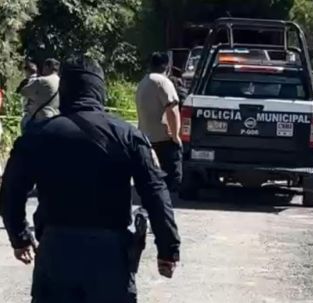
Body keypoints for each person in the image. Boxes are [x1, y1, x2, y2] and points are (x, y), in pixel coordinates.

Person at [0, 56, 181, 303]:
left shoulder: (38, 136)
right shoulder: (127, 136)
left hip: (56, 249)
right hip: (110, 255)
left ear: (65, 90)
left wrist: (19, 237)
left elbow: (11, 188)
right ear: (99, 89)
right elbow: (155, 192)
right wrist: (168, 249)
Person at [136, 52, 183, 195]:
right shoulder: (163, 82)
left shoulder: (143, 81)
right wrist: (176, 136)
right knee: (171, 180)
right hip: (163, 139)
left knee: (152, 178)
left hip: (146, 136)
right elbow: (172, 110)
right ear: (167, 66)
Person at [19, 58, 61, 132]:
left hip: (40, 118)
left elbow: (24, 91)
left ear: (47, 67)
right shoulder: (61, 82)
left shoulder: (43, 80)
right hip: (56, 118)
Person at [16, 59, 39, 132]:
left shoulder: (27, 82)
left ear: (27, 71)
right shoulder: (42, 81)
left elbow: (21, 94)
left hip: (29, 113)